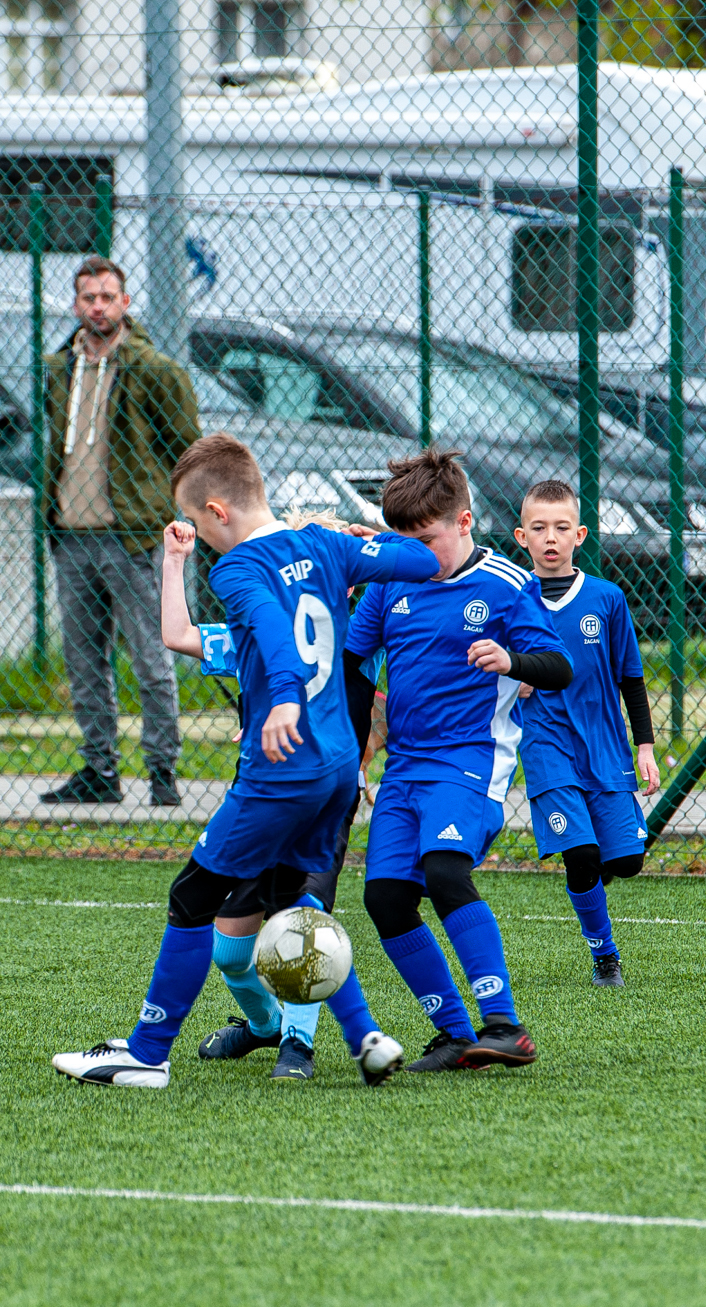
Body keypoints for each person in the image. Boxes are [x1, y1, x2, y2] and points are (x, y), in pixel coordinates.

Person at [50, 435, 441, 1090]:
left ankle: (147, 1052)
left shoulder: (237, 569)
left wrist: (283, 699)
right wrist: (365, 539)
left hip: (282, 768)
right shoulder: (324, 545)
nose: (199, 535)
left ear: (217, 511)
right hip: (338, 765)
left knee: (191, 896)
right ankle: (365, 1036)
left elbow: (271, 625)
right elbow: (422, 560)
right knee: (293, 901)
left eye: (195, 522)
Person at [346, 450, 574, 1074]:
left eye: (426, 540)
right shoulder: (390, 580)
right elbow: (353, 666)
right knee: (385, 899)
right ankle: (452, 1035)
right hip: (403, 768)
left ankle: (504, 1026)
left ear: (464, 521)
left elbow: (559, 666)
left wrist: (512, 661)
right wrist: (351, 753)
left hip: (470, 760)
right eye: (404, 541)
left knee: (445, 871)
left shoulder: (506, 584)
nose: (415, 554)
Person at [157, 510, 369, 1079]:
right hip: (263, 792)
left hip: (323, 796)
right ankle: (265, 1025)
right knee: (229, 948)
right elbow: (179, 636)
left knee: (301, 920)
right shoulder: (260, 630)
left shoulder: (363, 631)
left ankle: (298, 1045)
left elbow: (397, 698)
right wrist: (174, 561)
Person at [37, 256, 202, 808]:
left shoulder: (154, 370)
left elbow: (188, 449)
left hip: (131, 536)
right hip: (71, 536)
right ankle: (100, 769)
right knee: (84, 661)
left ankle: (162, 770)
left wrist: (177, 514)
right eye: (89, 298)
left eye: (108, 297)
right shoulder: (59, 367)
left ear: (125, 303)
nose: (98, 307)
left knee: (151, 657)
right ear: (76, 304)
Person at [513, 479, 661, 987]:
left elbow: (631, 677)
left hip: (604, 746)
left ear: (580, 535)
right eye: (539, 528)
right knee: (581, 855)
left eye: (561, 528)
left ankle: (592, 879)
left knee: (628, 861)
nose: (550, 538)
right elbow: (484, 666)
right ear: (522, 537)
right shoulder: (511, 600)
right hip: (546, 744)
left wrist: (645, 747)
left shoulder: (607, 597)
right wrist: (513, 681)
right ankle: (605, 956)